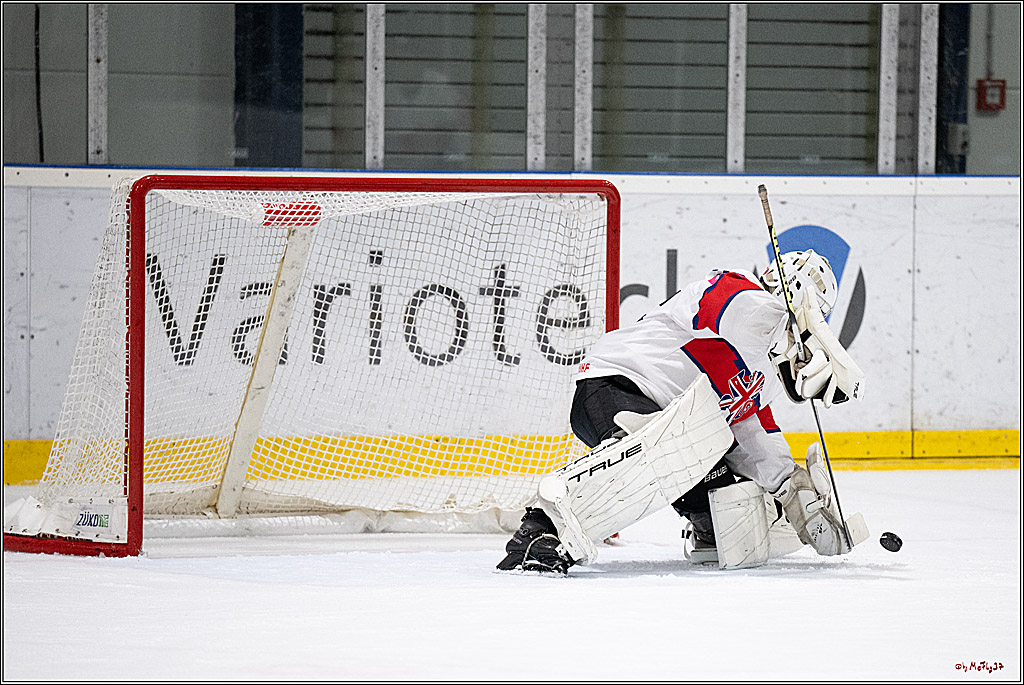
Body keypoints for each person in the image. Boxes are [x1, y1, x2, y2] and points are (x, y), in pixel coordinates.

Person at [497, 249, 865, 574]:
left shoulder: (760, 376)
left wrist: (796, 494)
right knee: (660, 448)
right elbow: (734, 312)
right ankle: (540, 529)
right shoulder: (738, 290)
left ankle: (706, 532)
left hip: (667, 425)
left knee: (738, 519)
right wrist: (788, 328)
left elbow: (757, 442)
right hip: (615, 388)